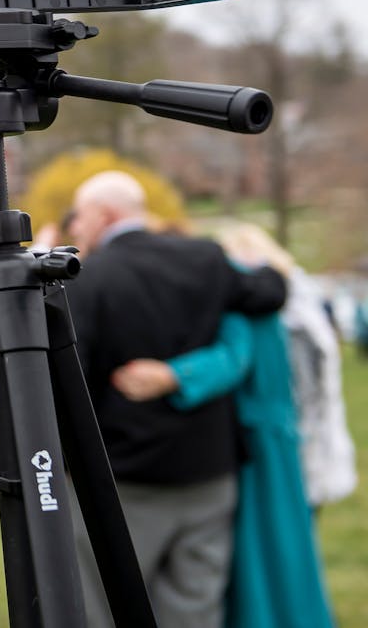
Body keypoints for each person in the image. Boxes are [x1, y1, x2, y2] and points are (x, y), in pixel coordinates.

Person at [64, 172, 288, 628]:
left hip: (121, 481)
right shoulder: (205, 257)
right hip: (208, 472)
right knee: (195, 609)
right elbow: (270, 292)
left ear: (105, 214)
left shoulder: (89, 278)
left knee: (103, 608)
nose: (73, 228)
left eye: (79, 216)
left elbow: (71, 384)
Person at [111, 225, 339, 628]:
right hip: (281, 438)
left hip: (254, 443)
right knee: (286, 549)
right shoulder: (290, 303)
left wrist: (171, 376)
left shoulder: (243, 307)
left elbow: (234, 358)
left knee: (256, 555)